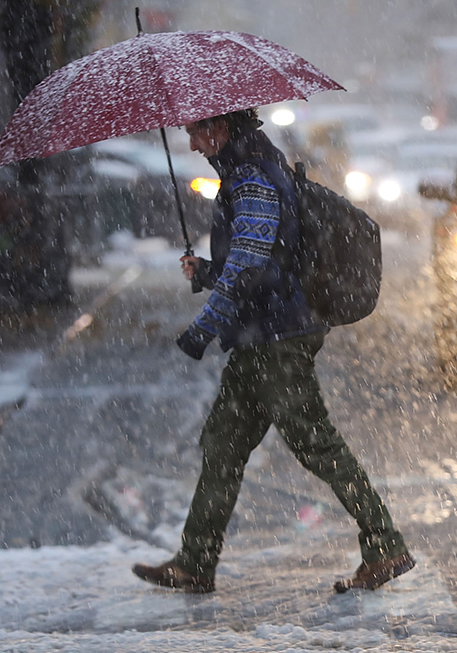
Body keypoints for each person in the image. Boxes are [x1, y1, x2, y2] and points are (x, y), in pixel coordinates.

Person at [132, 108, 413, 593]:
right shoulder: (248, 171)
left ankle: (385, 545)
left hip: (278, 338)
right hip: (259, 337)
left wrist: (203, 327)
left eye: (197, 132)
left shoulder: (253, 179)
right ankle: (195, 562)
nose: (194, 144)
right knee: (223, 444)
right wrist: (205, 272)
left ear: (220, 127)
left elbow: (250, 265)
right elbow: (256, 261)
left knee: (316, 443)